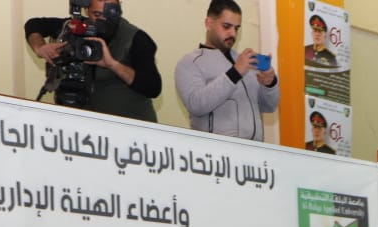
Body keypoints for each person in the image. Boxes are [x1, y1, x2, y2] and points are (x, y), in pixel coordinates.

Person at [24, 0, 161, 122]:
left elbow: (152, 88)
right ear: (86, 10)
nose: (104, 20)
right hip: (86, 127)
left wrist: (113, 65)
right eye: (97, 14)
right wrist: (40, 47)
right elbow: (34, 24)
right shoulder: (76, 28)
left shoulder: (136, 38)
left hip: (132, 129)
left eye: (110, 13)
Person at [175, 0, 280, 142]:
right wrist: (234, 73)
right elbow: (196, 105)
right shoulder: (190, 62)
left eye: (237, 28)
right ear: (209, 23)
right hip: (216, 151)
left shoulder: (245, 62)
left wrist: (269, 83)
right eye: (226, 26)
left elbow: (269, 106)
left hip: (255, 151)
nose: (233, 33)